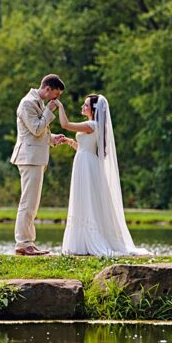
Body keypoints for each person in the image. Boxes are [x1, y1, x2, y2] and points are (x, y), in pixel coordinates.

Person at [56, 93, 149, 256]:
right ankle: (81, 242)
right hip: (85, 161)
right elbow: (86, 148)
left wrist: (60, 106)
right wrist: (71, 142)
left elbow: (65, 124)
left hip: (86, 165)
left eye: (85, 105)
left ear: (93, 109)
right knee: (85, 198)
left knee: (86, 199)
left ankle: (87, 241)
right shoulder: (94, 126)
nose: (82, 107)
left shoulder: (91, 124)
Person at [9, 74, 74, 256]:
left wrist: (54, 138)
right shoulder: (28, 103)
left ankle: (28, 241)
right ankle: (23, 243)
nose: (56, 99)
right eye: (56, 94)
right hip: (29, 158)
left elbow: (39, 131)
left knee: (33, 202)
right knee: (28, 202)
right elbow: (36, 129)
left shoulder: (37, 102)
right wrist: (49, 110)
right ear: (48, 89)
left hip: (36, 157)